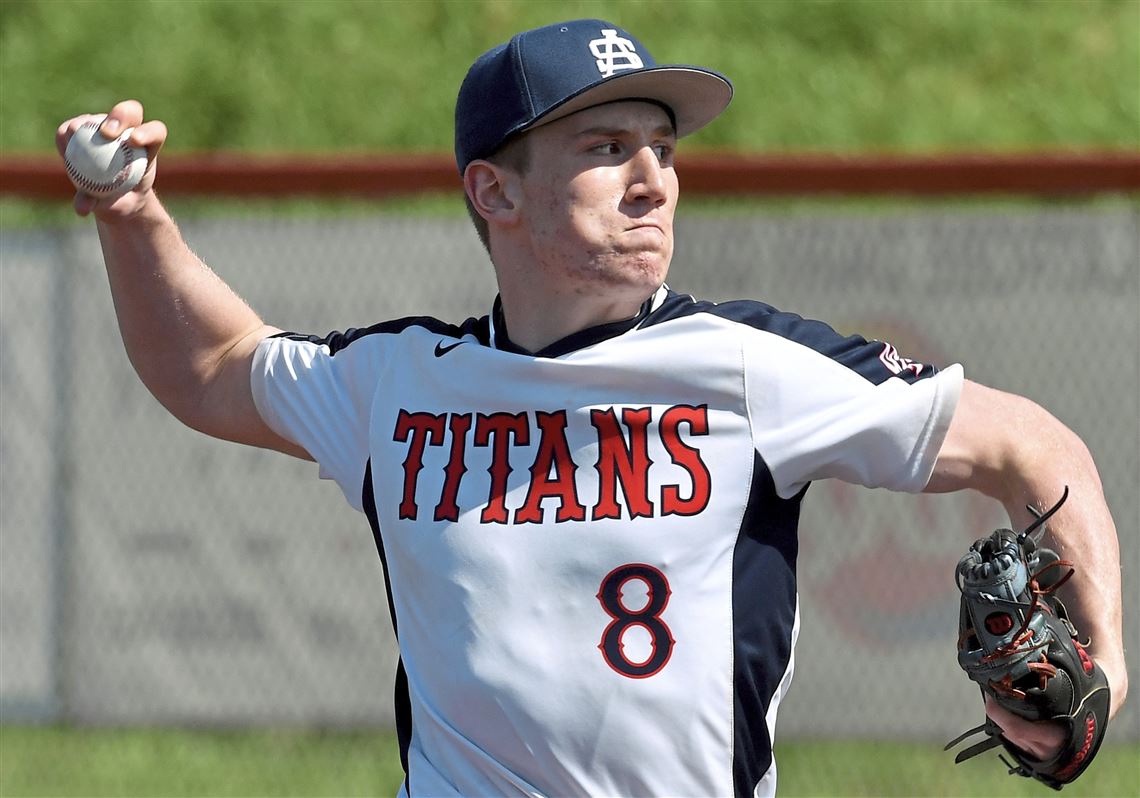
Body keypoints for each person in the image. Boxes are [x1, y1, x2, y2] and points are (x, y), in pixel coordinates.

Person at [57, 18, 1126, 798]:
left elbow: (1032, 446)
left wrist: (1106, 662)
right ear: (497, 191)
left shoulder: (746, 367)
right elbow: (212, 367)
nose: (654, 179)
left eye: (661, 148)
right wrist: (130, 213)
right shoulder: (400, 382)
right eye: (607, 149)